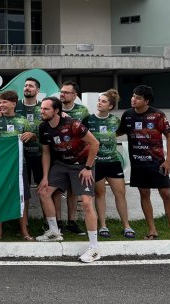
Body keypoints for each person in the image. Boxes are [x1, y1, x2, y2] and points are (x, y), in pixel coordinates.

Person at [116, 85, 170, 244]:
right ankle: (152, 229)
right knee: (144, 194)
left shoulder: (158, 115)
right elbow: (119, 131)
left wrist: (168, 161)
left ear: (146, 101)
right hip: (138, 164)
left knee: (166, 194)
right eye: (133, 96)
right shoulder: (127, 115)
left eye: (138, 97)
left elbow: (169, 137)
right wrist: (102, 130)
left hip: (157, 163)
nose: (134, 99)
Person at [36, 97, 102, 264]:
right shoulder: (43, 127)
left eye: (45, 109)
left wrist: (87, 168)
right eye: (41, 109)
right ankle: (54, 232)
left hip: (82, 165)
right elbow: (46, 153)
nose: (41, 111)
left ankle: (94, 249)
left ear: (56, 111)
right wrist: (45, 177)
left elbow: (95, 143)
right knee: (44, 192)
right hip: (61, 164)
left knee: (87, 203)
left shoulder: (73, 124)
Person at [0, 90, 36, 241]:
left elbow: (31, 136)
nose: (1, 104)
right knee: (0, 195)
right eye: (0, 102)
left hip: (20, 165)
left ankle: (24, 231)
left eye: (4, 102)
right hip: (0, 166)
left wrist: (31, 135)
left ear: (14, 104)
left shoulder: (23, 120)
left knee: (23, 197)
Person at [84, 89, 136, 239]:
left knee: (120, 194)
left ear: (111, 106)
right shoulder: (88, 120)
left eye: (103, 101)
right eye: (99, 100)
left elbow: (119, 133)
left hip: (113, 162)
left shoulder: (115, 121)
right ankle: (103, 226)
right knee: (100, 194)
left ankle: (126, 226)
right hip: (96, 163)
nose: (99, 103)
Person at [56, 81, 89, 235]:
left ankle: (72, 222)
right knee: (55, 189)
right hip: (58, 155)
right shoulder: (55, 107)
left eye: (66, 92)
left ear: (75, 95)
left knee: (73, 191)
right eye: (61, 92)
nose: (63, 94)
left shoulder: (83, 111)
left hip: (77, 157)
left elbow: (88, 134)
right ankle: (56, 223)